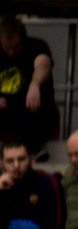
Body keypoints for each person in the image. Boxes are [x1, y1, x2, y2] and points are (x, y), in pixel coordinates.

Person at [0, 15, 58, 152]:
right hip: (5, 114)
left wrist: (35, 84)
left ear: (23, 39)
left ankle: (27, 152)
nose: (11, 53)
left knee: (35, 101)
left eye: (15, 47)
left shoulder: (36, 46)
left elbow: (43, 63)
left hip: (32, 112)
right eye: (7, 48)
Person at [0, 136, 64, 229]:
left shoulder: (48, 183)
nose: (16, 165)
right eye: (10, 161)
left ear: (32, 159)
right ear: (1, 163)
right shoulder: (1, 185)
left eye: (21, 159)